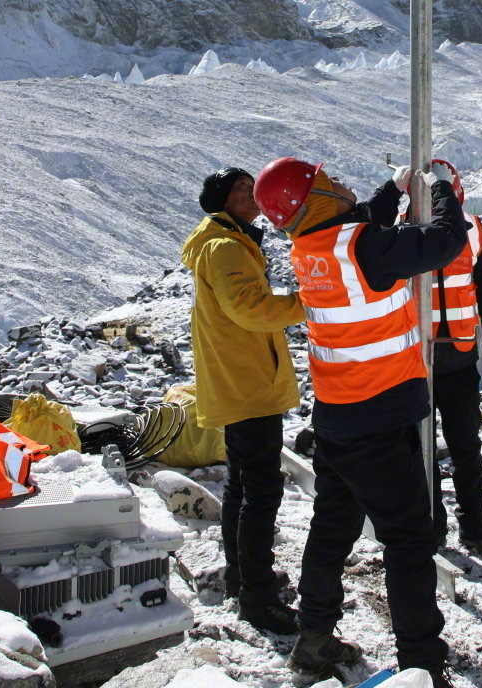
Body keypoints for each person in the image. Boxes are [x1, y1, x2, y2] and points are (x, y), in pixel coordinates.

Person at [253, 157, 467, 685]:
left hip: (337, 415)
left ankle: (315, 637)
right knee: (409, 540)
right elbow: (445, 242)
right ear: (315, 200)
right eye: (329, 182)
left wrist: (392, 191)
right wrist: (441, 189)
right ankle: (422, 663)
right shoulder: (365, 248)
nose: (340, 184)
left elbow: (362, 222)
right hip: (382, 416)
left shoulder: (314, 247)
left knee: (334, 524)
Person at [180, 166, 304, 634]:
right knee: (261, 490)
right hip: (248, 383)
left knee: (242, 485)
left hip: (238, 379)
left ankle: (241, 576)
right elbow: (251, 309)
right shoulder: (226, 247)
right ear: (220, 201)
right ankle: (258, 597)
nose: (251, 195)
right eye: (239, 190)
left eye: (252, 188)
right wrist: (305, 302)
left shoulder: (225, 241)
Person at [383, 160, 482, 560]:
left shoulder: (472, 231)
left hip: (456, 358)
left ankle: (475, 528)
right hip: (412, 360)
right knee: (419, 450)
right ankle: (431, 528)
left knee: (466, 448)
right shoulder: (394, 229)